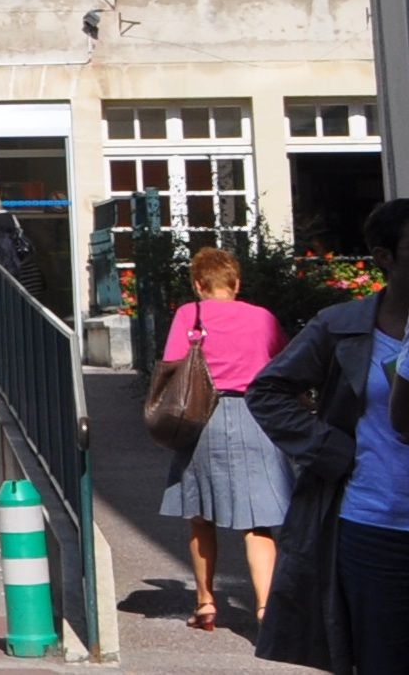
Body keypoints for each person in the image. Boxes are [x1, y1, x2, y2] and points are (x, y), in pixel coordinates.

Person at [249, 195, 409, 672]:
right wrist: (331, 448)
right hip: (376, 526)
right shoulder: (341, 327)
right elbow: (268, 392)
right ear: (385, 258)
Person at [163, 244, 291, 631]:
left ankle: (205, 603)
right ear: (235, 282)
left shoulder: (190, 314)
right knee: (260, 522)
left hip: (203, 417)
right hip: (257, 417)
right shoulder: (263, 318)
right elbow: (284, 364)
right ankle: (267, 609)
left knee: (201, 517)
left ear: (199, 285)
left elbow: (172, 365)